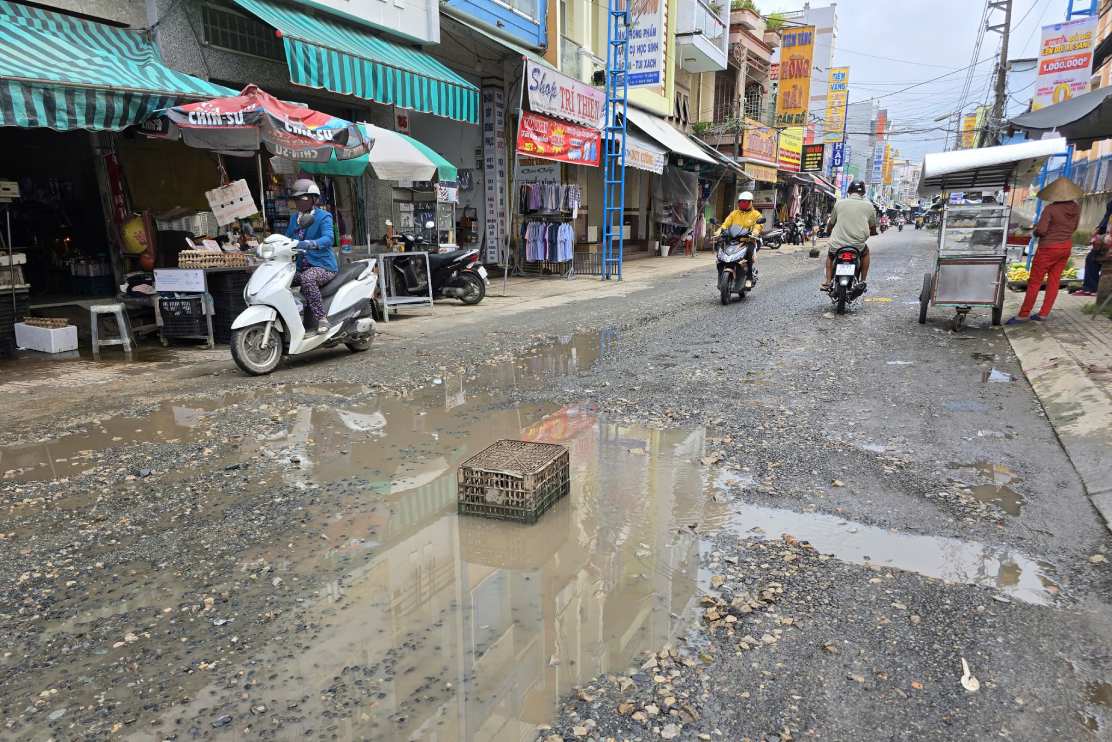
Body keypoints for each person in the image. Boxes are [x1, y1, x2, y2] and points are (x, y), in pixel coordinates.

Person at [1008, 176, 1082, 323]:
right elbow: (1074, 228)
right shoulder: (1076, 208)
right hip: (1065, 246)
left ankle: (1023, 314)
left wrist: (1033, 232)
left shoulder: (1051, 209)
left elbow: (1041, 230)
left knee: (1035, 281)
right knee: (1054, 281)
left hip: (1048, 248)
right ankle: (1044, 313)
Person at [286, 178, 337, 333]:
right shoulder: (294, 218)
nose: (299, 202)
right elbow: (287, 238)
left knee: (307, 278)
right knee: (279, 279)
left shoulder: (324, 216)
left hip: (323, 266)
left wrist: (312, 243)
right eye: (296, 199)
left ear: (314, 198)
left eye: (303, 198)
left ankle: (322, 319)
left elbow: (329, 238)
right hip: (300, 266)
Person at [822, 179, 876, 291]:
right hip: (857, 246)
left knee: (830, 255)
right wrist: (873, 232)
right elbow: (873, 227)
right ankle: (862, 281)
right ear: (863, 193)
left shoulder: (839, 203)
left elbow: (831, 223)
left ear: (849, 191)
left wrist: (828, 231)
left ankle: (828, 281)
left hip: (838, 245)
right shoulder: (869, 206)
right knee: (866, 253)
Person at [716, 191, 764, 286]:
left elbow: (758, 225)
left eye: (746, 202)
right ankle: (720, 276)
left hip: (748, 241)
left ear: (751, 202)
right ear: (738, 202)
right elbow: (726, 223)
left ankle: (749, 278)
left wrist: (755, 232)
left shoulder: (756, 214)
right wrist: (719, 231)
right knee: (720, 254)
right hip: (732, 240)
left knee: (749, 254)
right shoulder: (734, 213)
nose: (743, 203)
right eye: (741, 201)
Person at [1076, 196, 1112, 297]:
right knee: (1092, 258)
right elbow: (1106, 217)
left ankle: (1091, 288)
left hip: (1108, 238)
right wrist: (1098, 229)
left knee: (1093, 258)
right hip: (1106, 235)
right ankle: (1091, 288)